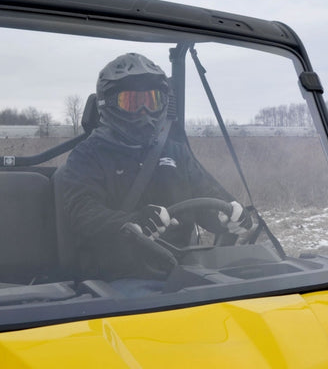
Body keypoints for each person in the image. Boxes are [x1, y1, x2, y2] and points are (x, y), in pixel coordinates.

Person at [61, 53, 256, 291]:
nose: (144, 111)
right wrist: (132, 223)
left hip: (183, 271)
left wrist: (229, 216)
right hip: (118, 278)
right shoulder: (88, 155)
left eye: (152, 101)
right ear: (108, 104)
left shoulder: (175, 152)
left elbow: (207, 194)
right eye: (132, 102)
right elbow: (81, 213)